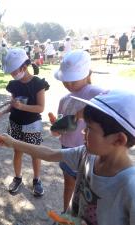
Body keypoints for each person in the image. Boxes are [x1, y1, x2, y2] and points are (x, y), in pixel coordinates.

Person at [0, 89, 135, 225]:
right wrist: (13, 142)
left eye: (90, 128)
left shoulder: (130, 187)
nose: (83, 131)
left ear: (118, 140)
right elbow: (50, 154)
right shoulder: (85, 154)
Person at [51, 50, 105, 212]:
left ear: (88, 73)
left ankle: (80, 217)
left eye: (72, 80)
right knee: (68, 183)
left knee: (88, 190)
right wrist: (56, 127)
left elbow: (113, 105)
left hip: (88, 152)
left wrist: (85, 113)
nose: (68, 84)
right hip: (67, 149)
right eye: (65, 80)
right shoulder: (64, 100)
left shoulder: (95, 92)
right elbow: (59, 131)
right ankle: (65, 212)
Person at [0, 48, 49, 196]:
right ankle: (18, 178)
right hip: (16, 123)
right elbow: (13, 104)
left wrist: (22, 106)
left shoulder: (38, 84)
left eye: (13, 71)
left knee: (35, 153)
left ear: (23, 68)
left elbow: (40, 108)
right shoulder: (14, 84)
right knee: (18, 151)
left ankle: (37, 180)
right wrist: (2, 112)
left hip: (32, 125)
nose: (12, 74)